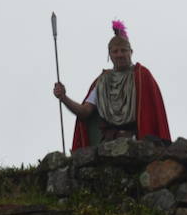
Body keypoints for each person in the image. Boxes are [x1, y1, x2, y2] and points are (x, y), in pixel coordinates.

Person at [54, 21, 171, 149]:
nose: (119, 55)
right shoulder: (101, 82)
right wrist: (64, 98)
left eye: (123, 50)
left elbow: (151, 114)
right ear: (109, 55)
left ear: (131, 52)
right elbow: (85, 112)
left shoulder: (142, 76)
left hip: (138, 141)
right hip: (109, 143)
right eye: (115, 51)